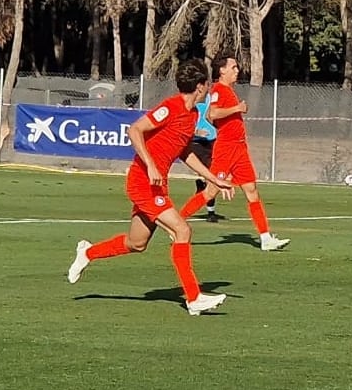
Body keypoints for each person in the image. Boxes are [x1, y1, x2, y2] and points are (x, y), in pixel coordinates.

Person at [66, 60, 235, 315]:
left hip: (157, 186)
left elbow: (185, 152)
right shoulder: (171, 107)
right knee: (183, 230)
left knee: (137, 243)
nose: (209, 89)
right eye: (208, 84)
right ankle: (193, 298)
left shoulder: (191, 115)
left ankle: (88, 252)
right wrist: (151, 165)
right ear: (200, 87)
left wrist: (213, 177)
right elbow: (135, 130)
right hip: (142, 182)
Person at [179, 54, 289, 251]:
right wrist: (237, 108)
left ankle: (265, 238)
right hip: (226, 148)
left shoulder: (229, 90)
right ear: (222, 71)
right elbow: (211, 114)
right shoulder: (219, 90)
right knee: (210, 191)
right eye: (233, 67)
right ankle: (177, 223)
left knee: (251, 190)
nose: (237, 70)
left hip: (240, 148)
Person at [189, 87, 220, 223]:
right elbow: (184, 123)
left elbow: (214, 116)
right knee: (210, 176)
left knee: (213, 174)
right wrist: (196, 131)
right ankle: (211, 213)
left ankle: (202, 189)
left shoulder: (210, 99)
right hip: (196, 142)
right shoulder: (190, 101)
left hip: (212, 140)